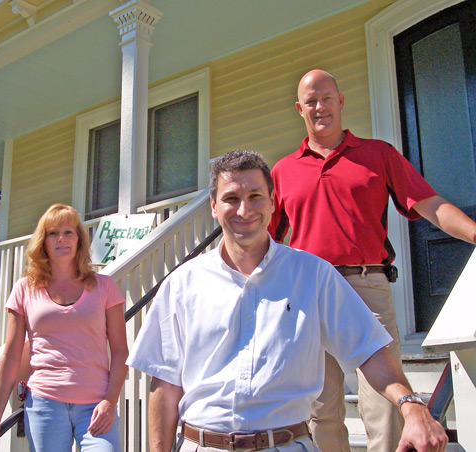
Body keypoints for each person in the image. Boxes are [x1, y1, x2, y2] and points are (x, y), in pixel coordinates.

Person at [127, 150, 447, 452]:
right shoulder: (182, 285)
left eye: (255, 196)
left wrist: (412, 406)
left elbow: (369, 348)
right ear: (213, 205)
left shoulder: (314, 276)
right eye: (231, 198)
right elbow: (165, 384)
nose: (244, 209)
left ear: (271, 202)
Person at [268, 69, 476, 452]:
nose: (320, 107)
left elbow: (429, 204)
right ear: (300, 109)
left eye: (327, 97)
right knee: (321, 404)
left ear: (341, 101)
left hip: (368, 286)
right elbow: (264, 241)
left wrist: (474, 233)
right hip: (307, 292)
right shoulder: (282, 171)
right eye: (311, 101)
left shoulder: (378, 154)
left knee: (385, 401)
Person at [0, 204, 128, 452]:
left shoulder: (104, 286)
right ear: (43, 241)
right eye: (53, 233)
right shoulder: (24, 288)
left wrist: (110, 401)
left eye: (69, 232)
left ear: (79, 240)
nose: (61, 239)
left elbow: (120, 351)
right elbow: (10, 355)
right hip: (45, 404)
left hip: (96, 406)